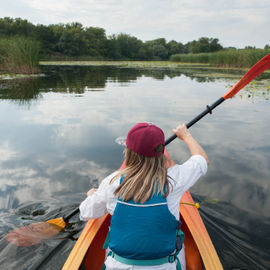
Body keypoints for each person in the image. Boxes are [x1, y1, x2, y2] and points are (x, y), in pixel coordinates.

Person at [80, 123, 209, 270]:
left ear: (128, 151)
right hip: (164, 265)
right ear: (161, 152)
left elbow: (85, 213)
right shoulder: (175, 179)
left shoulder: (112, 182)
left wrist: (92, 195)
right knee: (179, 243)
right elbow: (202, 159)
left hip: (118, 265)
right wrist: (186, 136)